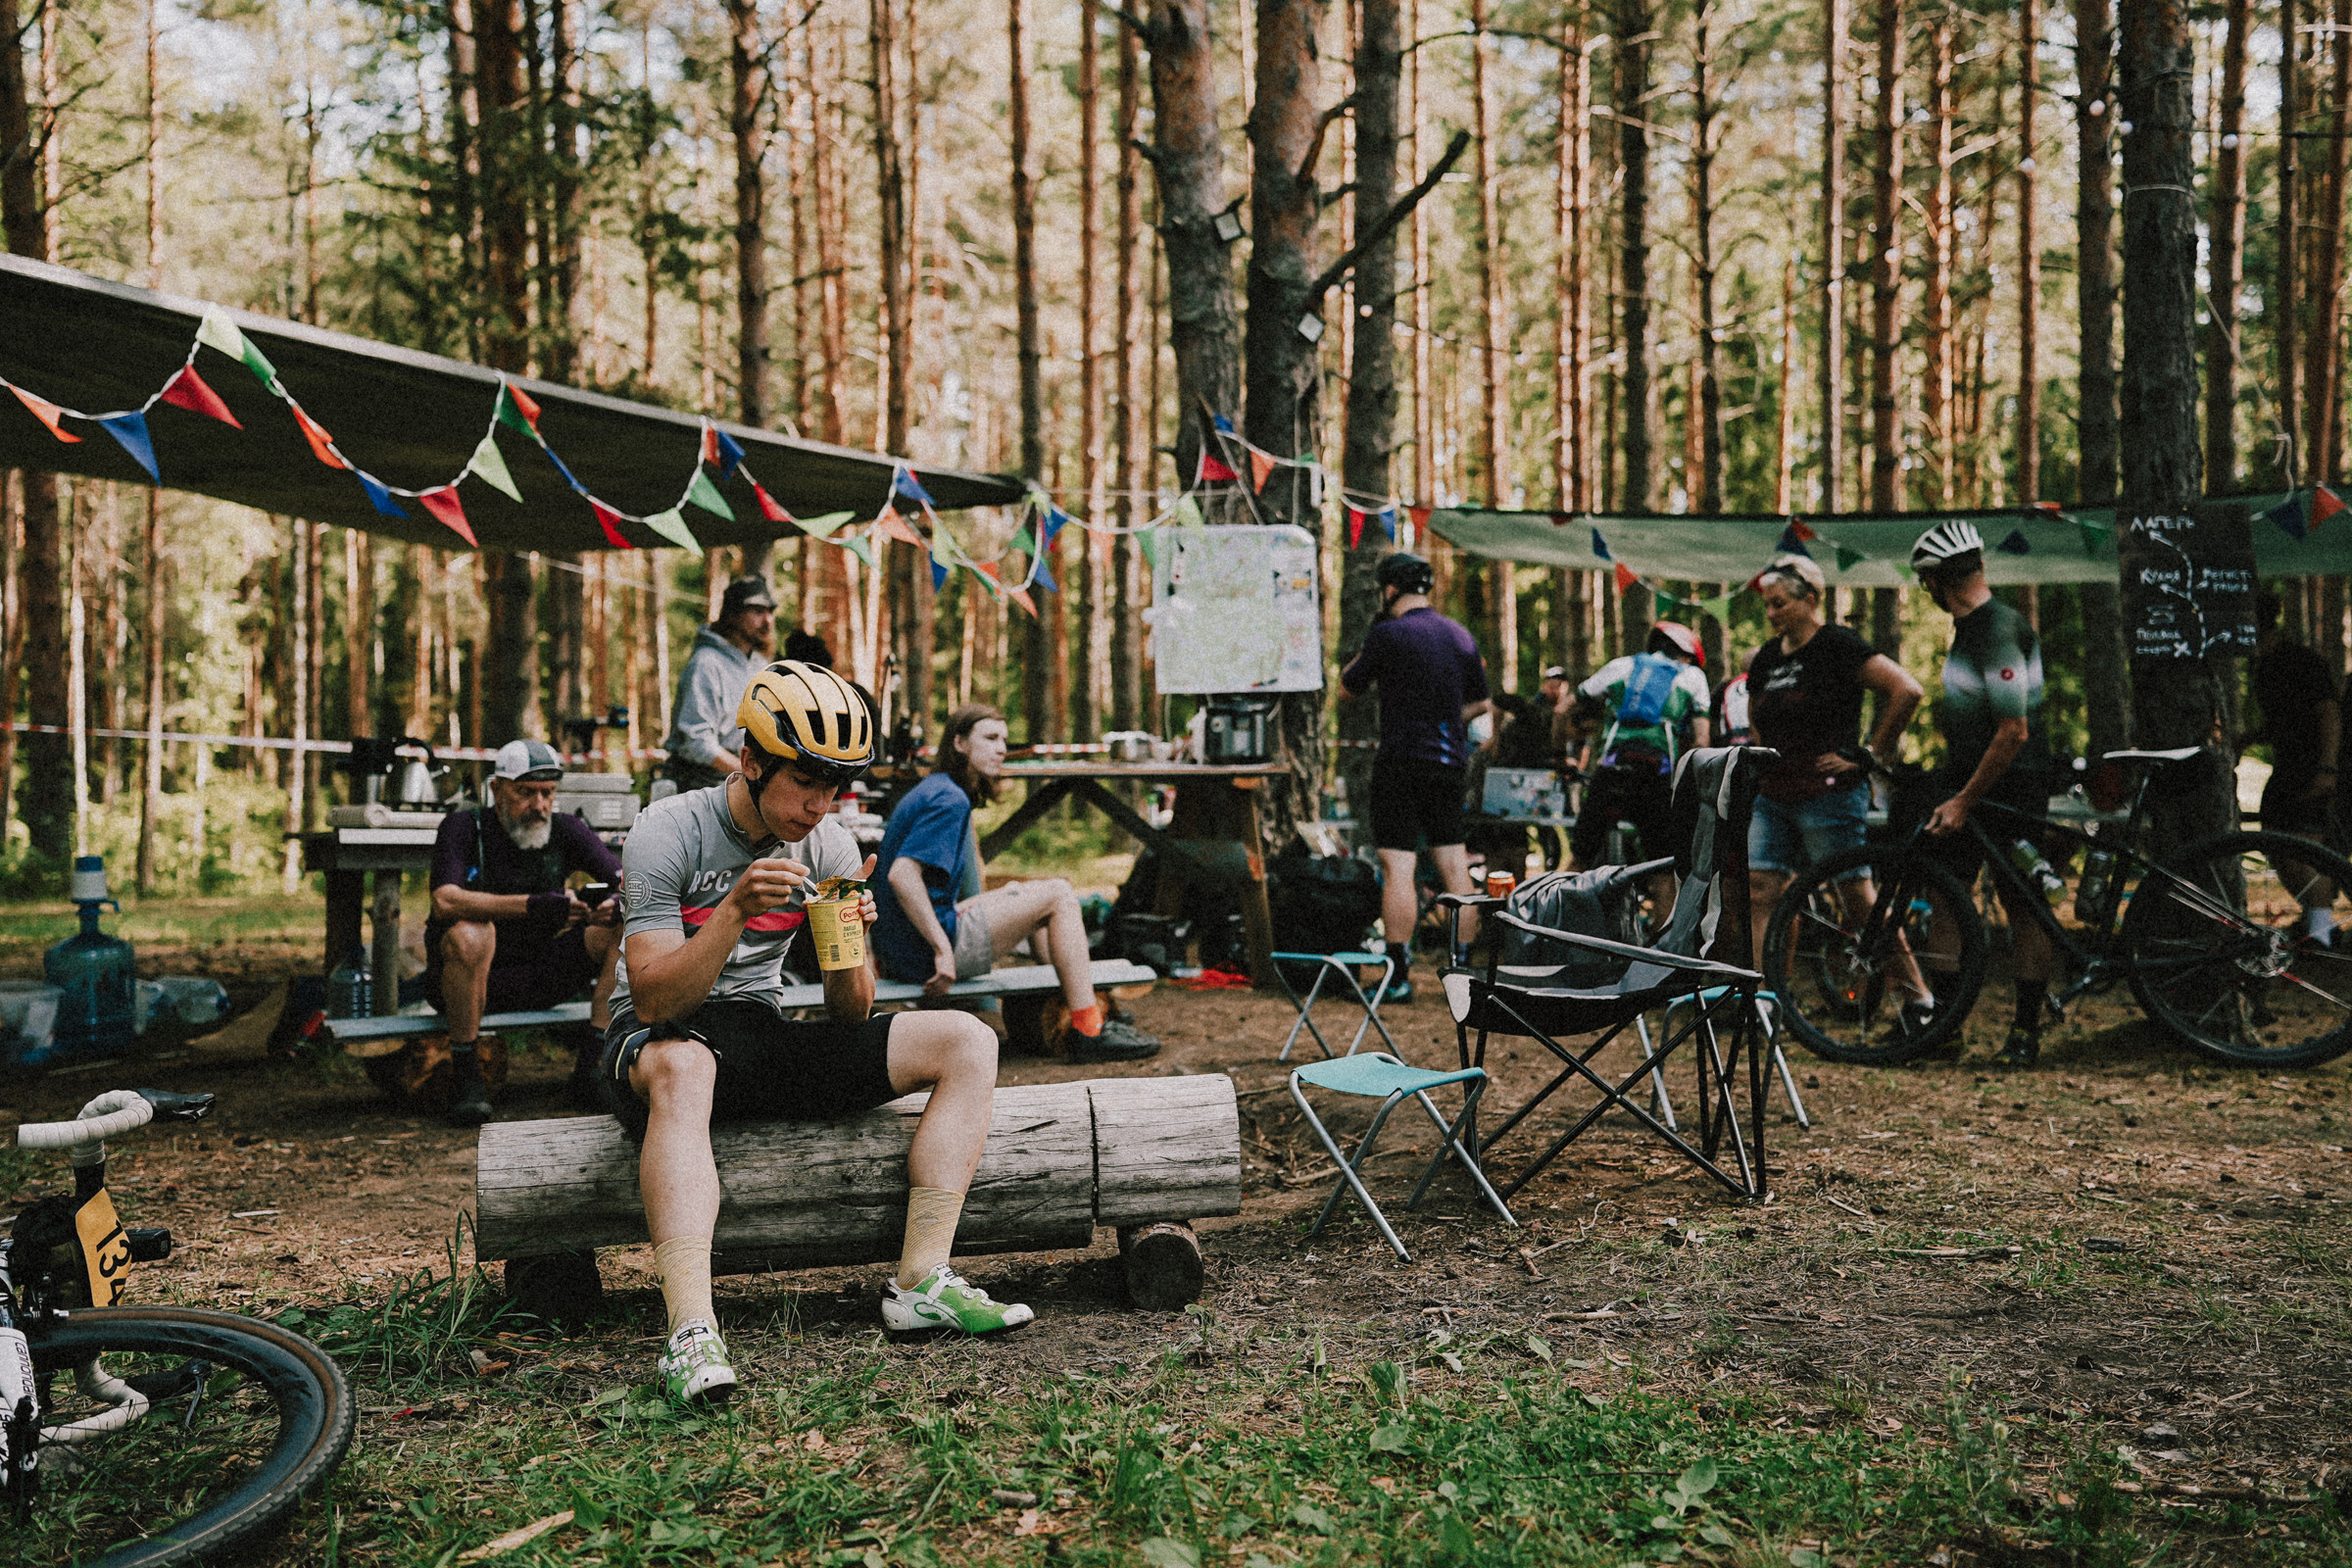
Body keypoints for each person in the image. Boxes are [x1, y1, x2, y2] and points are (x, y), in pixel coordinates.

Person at [602, 661, 1032, 1405]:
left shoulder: (826, 845)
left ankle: (921, 1280)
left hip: (758, 1034)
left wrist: (846, 936)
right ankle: (691, 1332)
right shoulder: (666, 829)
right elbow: (649, 998)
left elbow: (849, 1016)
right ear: (751, 761)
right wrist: (732, 911)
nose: (820, 807)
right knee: (686, 1065)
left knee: (969, 1040)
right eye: (806, 784)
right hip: (654, 1045)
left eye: (835, 789)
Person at [871, 703, 1159, 1061]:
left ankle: (1066, 1005)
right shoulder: (949, 799)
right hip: (927, 955)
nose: (1002, 749)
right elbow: (902, 875)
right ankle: (1088, 1028)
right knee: (1059, 895)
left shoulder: (937, 787)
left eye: (1004, 740)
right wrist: (942, 949)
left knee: (1025, 894)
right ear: (959, 743)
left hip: (906, 949)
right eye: (990, 738)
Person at [1741, 556, 1927, 1026]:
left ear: (1810, 599)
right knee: (1760, 889)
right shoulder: (1766, 657)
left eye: (1779, 603)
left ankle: (1917, 999)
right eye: (1767, 605)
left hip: (1828, 792)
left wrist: (1870, 755)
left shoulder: (1838, 645)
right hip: (1773, 794)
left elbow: (1906, 690)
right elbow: (1755, 717)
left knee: (1856, 898)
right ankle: (1763, 1002)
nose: (1772, 613)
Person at [1912, 520, 2055, 1067]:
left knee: (2022, 903)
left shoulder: (1996, 629)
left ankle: (2025, 1031)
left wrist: (1964, 800)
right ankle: (1946, 1031)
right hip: (1968, 788)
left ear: (1936, 579)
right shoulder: (1969, 628)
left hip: (2009, 789)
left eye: (1925, 580)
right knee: (1949, 896)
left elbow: (2012, 729)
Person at [425, 738, 624, 1126]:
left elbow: (628, 879)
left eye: (548, 793)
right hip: (466, 984)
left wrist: (613, 904)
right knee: (472, 933)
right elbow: (444, 901)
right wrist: (533, 905)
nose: (539, 805)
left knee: (624, 927)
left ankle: (593, 1065)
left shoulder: (566, 829)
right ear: (496, 789)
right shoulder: (465, 828)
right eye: (525, 792)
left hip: (540, 975)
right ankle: (467, 1078)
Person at [1336, 552, 1493, 1004]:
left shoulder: (1387, 634)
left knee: (1398, 867)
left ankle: (1398, 977)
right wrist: (1445, 718)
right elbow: (1481, 704)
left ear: (1389, 590)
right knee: (1453, 862)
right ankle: (1462, 974)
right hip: (1449, 765)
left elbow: (1349, 688)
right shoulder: (1460, 635)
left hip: (1401, 762)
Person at [1565, 621, 1711, 884]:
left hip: (1612, 769)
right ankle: (1662, 926)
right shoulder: (1693, 676)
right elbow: (1702, 741)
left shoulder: (1621, 665)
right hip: (1657, 775)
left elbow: (1563, 709)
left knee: (1579, 858)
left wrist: (1559, 750)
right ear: (1687, 656)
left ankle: (1553, 918)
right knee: (1664, 869)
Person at [2246, 587, 2344, 943]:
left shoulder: (2298, 660)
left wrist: (2327, 769)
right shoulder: (2266, 665)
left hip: (2311, 766)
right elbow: (2284, 721)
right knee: (2279, 844)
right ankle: (2318, 924)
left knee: (2307, 848)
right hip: (2287, 768)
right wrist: (2248, 738)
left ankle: (2322, 931)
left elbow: (2328, 713)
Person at [662, 575, 777, 793]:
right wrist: (749, 773)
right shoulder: (706, 663)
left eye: (770, 612)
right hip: (700, 784)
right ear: (733, 616)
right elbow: (696, 742)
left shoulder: (759, 666)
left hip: (741, 777)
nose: (767, 621)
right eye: (757, 611)